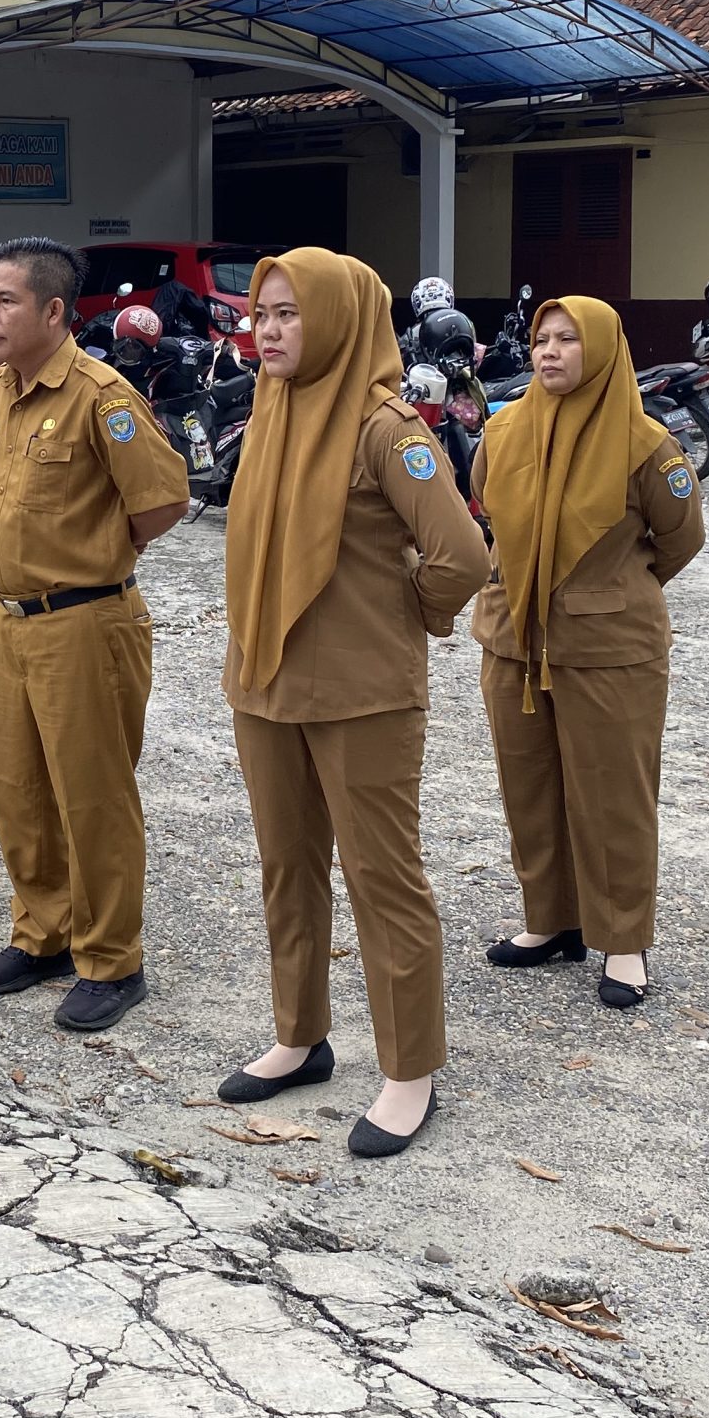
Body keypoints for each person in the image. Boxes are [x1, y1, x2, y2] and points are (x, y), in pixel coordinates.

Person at [220, 249, 491, 1156]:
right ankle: (300, 1037)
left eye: (289, 314)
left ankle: (411, 1071)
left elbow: (463, 555)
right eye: (262, 314)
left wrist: (401, 613)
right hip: (265, 681)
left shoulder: (386, 428)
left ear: (338, 319)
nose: (267, 330)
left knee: (382, 878)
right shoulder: (271, 409)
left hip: (362, 693)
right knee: (286, 867)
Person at [0, 236, 189, 1033]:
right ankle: (45, 933)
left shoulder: (102, 396)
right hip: (14, 619)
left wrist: (94, 551)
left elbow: (162, 502)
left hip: (86, 622)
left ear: (54, 311)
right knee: (21, 788)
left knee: (92, 797)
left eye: (6, 300)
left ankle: (111, 959)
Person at [473, 295, 704, 1008]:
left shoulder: (645, 444)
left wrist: (613, 590)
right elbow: (485, 504)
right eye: (541, 339)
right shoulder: (502, 429)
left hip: (610, 651)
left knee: (612, 796)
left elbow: (681, 536)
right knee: (529, 788)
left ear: (602, 349)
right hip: (514, 641)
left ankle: (624, 939)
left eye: (568, 340)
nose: (549, 351)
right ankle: (553, 921)